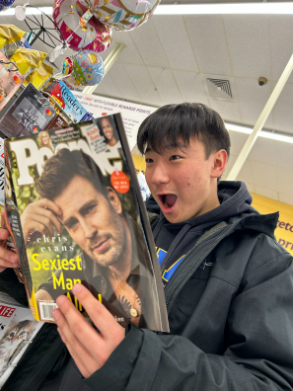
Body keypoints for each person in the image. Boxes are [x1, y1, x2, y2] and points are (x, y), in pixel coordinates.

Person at [0, 103, 292, 391]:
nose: (156, 176)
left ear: (216, 163)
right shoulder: (132, 225)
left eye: (175, 157)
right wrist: (13, 263)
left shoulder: (264, 262)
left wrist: (136, 363)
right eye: (150, 159)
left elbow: (271, 381)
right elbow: (61, 305)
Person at [21, 148, 157, 330]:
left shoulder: (157, 242)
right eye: (72, 223)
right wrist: (19, 244)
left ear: (113, 200)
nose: (87, 232)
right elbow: (38, 307)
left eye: (89, 209)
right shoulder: (81, 268)